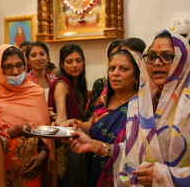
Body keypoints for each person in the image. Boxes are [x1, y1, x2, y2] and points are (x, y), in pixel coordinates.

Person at [68, 30, 190, 187]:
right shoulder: (140, 105)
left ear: (183, 61)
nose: (157, 63)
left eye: (167, 56)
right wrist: (95, 146)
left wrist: (163, 176)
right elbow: (133, 150)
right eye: (151, 57)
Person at [62, 49, 141, 186]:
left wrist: (98, 146)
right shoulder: (104, 98)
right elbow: (94, 123)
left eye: (124, 69)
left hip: (126, 175)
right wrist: (78, 124)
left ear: (137, 77)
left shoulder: (143, 106)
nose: (115, 73)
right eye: (112, 68)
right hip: (97, 167)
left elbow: (139, 150)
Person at [0, 44, 56, 187]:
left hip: (30, 168)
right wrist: (16, 131)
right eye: (8, 67)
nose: (15, 72)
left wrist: (43, 154)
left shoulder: (36, 93)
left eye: (19, 65)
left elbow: (44, 131)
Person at [48, 43, 90, 187]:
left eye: (78, 60)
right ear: (61, 64)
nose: (75, 65)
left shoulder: (78, 83)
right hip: (70, 145)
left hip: (80, 139)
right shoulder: (62, 85)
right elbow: (61, 118)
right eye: (69, 61)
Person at [86, 39, 123, 119]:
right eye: (113, 56)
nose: (117, 59)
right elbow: (91, 116)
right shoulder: (101, 84)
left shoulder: (138, 96)